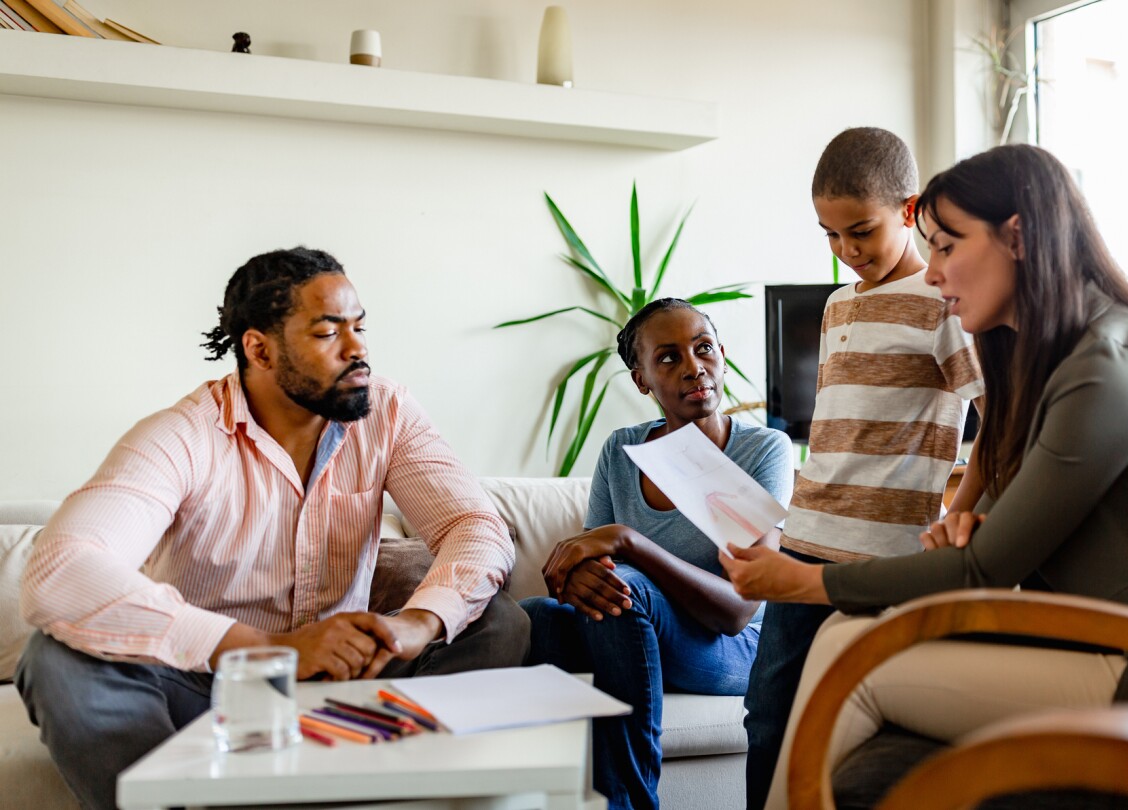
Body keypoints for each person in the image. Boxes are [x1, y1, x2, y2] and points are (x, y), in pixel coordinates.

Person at [721, 144, 1128, 809]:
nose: (934, 274)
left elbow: (983, 572)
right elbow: (993, 534)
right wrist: (969, 522)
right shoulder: (1057, 358)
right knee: (844, 636)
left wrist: (807, 580)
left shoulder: (1108, 365)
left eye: (945, 247)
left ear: (1019, 237)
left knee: (856, 672)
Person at [18, 247, 529, 810]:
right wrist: (267, 648)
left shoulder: (388, 412)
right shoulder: (181, 436)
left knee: (497, 620)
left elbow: (474, 525)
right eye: (327, 332)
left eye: (359, 327)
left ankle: (381, 787)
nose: (358, 349)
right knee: (54, 660)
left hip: (349, 683)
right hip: (208, 687)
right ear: (259, 348)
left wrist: (417, 622)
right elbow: (59, 566)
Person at [742, 127, 985, 809]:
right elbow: (837, 430)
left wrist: (967, 504)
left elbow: (996, 413)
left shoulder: (944, 304)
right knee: (767, 717)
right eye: (829, 235)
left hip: (886, 561)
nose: (847, 252)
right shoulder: (835, 305)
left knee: (856, 729)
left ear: (908, 212)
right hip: (802, 544)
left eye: (861, 232)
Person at [520, 298, 794, 810]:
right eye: (668, 358)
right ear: (641, 379)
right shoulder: (621, 451)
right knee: (536, 616)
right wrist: (582, 572)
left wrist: (631, 543)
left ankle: (630, 803)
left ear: (723, 356)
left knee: (628, 592)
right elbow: (591, 568)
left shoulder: (763, 449)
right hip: (638, 629)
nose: (693, 367)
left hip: (735, 649)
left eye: (704, 348)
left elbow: (739, 610)